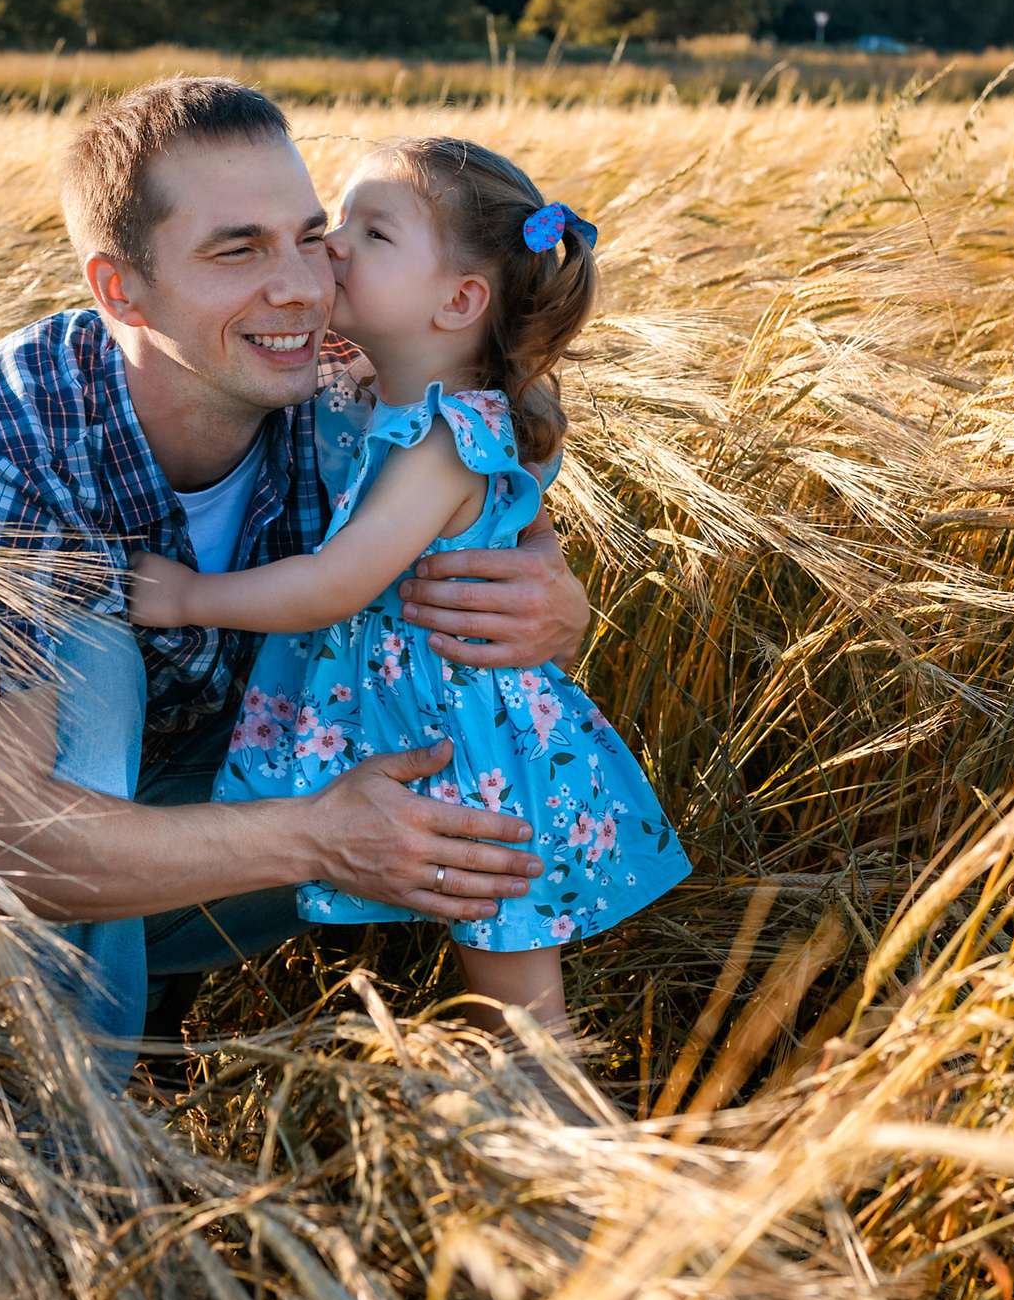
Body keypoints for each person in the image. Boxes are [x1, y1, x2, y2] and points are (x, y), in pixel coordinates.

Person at [0, 77, 590, 1048]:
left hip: (194, 804)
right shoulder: (4, 452)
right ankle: (68, 1141)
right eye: (237, 251)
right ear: (121, 289)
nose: (303, 287)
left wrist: (551, 601)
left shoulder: (351, 392)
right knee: (96, 660)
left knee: (461, 712)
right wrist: (315, 834)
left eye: (310, 236)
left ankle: (527, 1084)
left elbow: (510, 438)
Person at [127, 137, 689, 1047]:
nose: (333, 245)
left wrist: (191, 597)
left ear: (460, 300)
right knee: (497, 1010)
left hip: (467, 748)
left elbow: (334, 584)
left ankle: (584, 1159)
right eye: (337, 221)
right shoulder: (384, 397)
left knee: (522, 1024)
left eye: (372, 232)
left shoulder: (438, 440)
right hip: (435, 727)